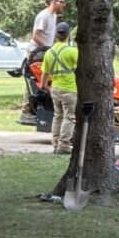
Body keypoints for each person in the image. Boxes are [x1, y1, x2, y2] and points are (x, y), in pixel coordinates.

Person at [20, 0, 67, 119]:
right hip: (36, 52)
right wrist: (47, 48)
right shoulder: (43, 16)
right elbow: (36, 36)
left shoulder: (54, 16)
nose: (64, 4)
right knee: (34, 80)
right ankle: (26, 111)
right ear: (54, 2)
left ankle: (43, 107)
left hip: (45, 52)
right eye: (62, 2)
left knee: (46, 79)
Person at [43, 21, 79, 155]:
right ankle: (63, 146)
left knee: (57, 116)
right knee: (69, 117)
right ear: (68, 35)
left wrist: (44, 85)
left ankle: (55, 143)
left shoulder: (49, 52)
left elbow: (45, 73)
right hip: (69, 88)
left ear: (56, 35)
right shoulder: (72, 51)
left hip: (55, 88)